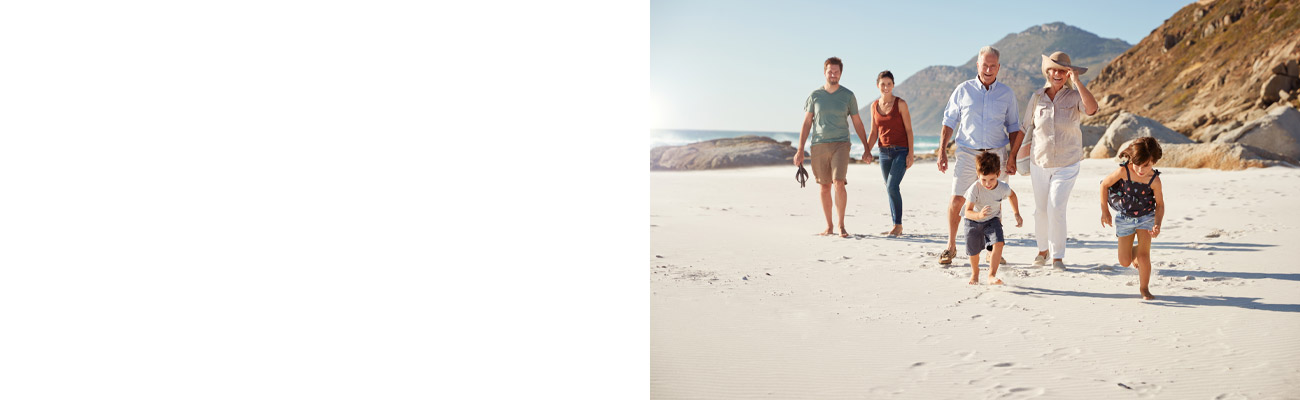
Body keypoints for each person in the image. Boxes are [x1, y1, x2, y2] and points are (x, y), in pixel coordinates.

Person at [936, 46, 1024, 264]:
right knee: (957, 199)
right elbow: (949, 122)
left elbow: (1014, 127)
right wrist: (942, 151)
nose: (988, 69)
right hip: (967, 153)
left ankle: (991, 250)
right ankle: (951, 246)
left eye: (993, 65)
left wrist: (1012, 157)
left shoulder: (1007, 93)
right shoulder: (963, 90)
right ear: (978, 65)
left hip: (996, 153)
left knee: (995, 201)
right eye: (985, 64)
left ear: (999, 68)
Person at [1015, 51, 1099, 271]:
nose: (1057, 74)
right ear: (1047, 72)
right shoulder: (1037, 97)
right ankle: (1042, 251)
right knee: (1040, 211)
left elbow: (1092, 109)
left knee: (1056, 207)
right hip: (1039, 162)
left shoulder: (1074, 97)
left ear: (1068, 73)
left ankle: (1057, 257)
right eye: (1054, 69)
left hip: (1067, 163)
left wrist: (1078, 82)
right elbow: (1024, 128)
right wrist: (1012, 158)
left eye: (1063, 70)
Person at [794, 57, 873, 238]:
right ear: (824, 72)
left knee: (838, 182)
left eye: (836, 72)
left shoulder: (848, 96)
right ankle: (828, 226)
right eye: (830, 71)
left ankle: (841, 225)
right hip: (819, 145)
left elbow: (858, 123)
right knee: (824, 186)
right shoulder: (815, 96)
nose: (833, 74)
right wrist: (800, 150)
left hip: (841, 144)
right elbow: (807, 123)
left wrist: (867, 148)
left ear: (841, 73)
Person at [1100, 137, 1165, 300]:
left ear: (1154, 162)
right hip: (1125, 218)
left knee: (1144, 257)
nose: (1141, 170)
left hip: (1146, 218)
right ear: (1132, 159)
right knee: (1124, 261)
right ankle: (1134, 253)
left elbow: (1160, 205)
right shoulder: (1124, 171)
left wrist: (1157, 224)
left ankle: (1144, 288)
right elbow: (1104, 185)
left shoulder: (1154, 180)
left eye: (1147, 165)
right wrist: (1105, 211)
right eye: (1138, 164)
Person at [962, 152, 1023, 285]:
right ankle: (975, 273)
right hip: (973, 221)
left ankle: (991, 275)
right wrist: (978, 215)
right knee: (974, 251)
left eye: (991, 179)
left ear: (998, 174)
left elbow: (1012, 196)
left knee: (999, 243)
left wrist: (1016, 213)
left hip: (992, 220)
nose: (988, 184)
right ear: (978, 175)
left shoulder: (1002, 187)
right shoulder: (975, 188)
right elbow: (967, 212)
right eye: (983, 179)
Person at [867, 70, 914, 236]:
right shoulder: (874, 106)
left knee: (892, 186)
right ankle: (896, 224)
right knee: (890, 188)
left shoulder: (901, 104)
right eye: (882, 84)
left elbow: (909, 130)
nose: (886, 87)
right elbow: (874, 132)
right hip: (883, 153)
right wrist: (867, 150)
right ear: (877, 85)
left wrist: (911, 154)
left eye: (889, 84)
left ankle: (898, 225)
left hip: (901, 151)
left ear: (893, 85)